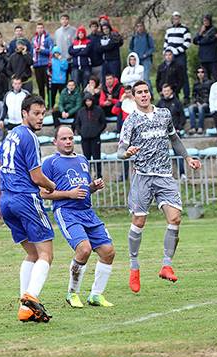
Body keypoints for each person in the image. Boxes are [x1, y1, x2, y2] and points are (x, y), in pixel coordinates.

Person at [117, 80, 202, 292]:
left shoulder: (164, 114)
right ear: (134, 97)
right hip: (143, 176)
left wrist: (187, 157)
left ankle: (166, 265)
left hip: (165, 175)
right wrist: (126, 154)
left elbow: (174, 139)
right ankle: (134, 267)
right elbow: (120, 150)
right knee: (139, 221)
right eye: (139, 92)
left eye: (146, 91)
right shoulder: (131, 121)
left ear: (150, 94)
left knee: (175, 218)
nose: (144, 95)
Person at [0, 95, 57, 323]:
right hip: (25, 199)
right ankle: (31, 296)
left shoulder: (11, 135)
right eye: (36, 113)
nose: (40, 118)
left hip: (8, 201)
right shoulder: (29, 137)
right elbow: (36, 176)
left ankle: (25, 306)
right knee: (46, 254)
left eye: (43, 114)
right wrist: (52, 185)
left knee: (32, 253)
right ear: (24, 113)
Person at [40, 126, 115, 307]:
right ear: (55, 142)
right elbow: (43, 193)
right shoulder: (50, 163)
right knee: (84, 250)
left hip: (87, 212)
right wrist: (69, 194)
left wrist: (93, 187)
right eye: (64, 139)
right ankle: (72, 293)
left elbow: (83, 190)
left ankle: (96, 295)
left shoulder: (82, 160)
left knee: (108, 252)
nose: (68, 142)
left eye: (71, 138)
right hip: (67, 212)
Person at [73, 94, 105, 178]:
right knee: (86, 158)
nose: (88, 103)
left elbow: (103, 123)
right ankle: (87, 176)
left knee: (97, 157)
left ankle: (98, 176)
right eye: (86, 101)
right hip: (85, 138)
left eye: (89, 100)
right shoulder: (81, 111)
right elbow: (77, 123)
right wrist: (81, 132)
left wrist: (97, 131)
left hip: (95, 138)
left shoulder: (99, 110)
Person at [165, 12, 193, 100]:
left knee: (183, 74)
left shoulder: (185, 29)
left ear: (180, 18)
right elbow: (166, 42)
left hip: (180, 55)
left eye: (177, 18)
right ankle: (173, 95)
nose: (176, 20)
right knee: (170, 75)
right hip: (170, 55)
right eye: (174, 18)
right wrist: (166, 52)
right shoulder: (168, 30)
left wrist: (176, 51)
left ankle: (186, 96)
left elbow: (187, 42)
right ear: (172, 19)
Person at [31, 22, 54, 103]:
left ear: (43, 29)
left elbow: (51, 51)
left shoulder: (48, 39)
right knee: (40, 86)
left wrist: (42, 51)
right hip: (37, 65)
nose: (39, 29)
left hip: (46, 64)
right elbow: (32, 51)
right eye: (38, 28)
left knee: (48, 86)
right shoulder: (34, 39)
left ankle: (50, 104)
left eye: (41, 28)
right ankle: (42, 103)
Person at [193, 15, 217, 82]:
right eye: (204, 21)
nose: (206, 22)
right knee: (205, 78)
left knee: (215, 76)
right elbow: (195, 41)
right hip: (203, 58)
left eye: (207, 20)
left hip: (212, 57)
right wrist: (200, 33)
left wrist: (200, 41)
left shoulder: (214, 29)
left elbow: (208, 40)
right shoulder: (201, 30)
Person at [129, 22, 155, 88]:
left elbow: (152, 48)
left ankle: (150, 94)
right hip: (136, 60)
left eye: (141, 26)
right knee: (137, 78)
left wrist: (146, 54)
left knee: (146, 78)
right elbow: (130, 48)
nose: (139, 28)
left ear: (143, 27)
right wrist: (133, 56)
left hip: (146, 60)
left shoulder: (147, 36)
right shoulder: (134, 37)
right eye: (137, 26)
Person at [188, 68, 212, 135]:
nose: (200, 73)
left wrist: (204, 102)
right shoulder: (195, 83)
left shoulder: (209, 83)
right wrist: (196, 102)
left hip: (207, 104)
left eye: (202, 72)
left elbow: (211, 95)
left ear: (205, 73)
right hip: (198, 103)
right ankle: (193, 127)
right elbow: (194, 95)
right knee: (190, 108)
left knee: (201, 107)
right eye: (198, 72)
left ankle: (200, 127)